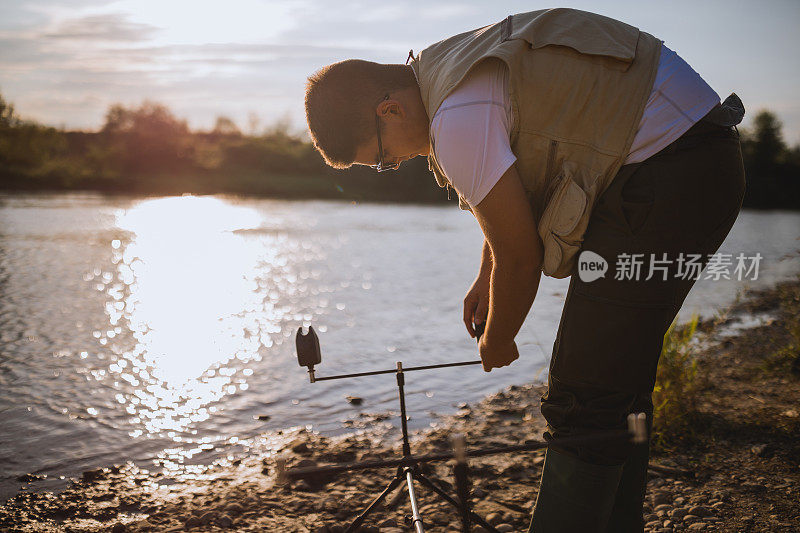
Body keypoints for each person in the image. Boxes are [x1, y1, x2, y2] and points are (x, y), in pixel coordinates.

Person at [304, 7, 745, 532]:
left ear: (390, 110)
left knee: (581, 398)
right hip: (686, 158)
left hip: (675, 170)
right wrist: (485, 277)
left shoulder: (455, 118)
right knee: (615, 384)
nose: (392, 166)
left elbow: (522, 258)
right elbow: (516, 205)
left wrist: (499, 339)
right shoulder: (451, 69)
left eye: (378, 158)